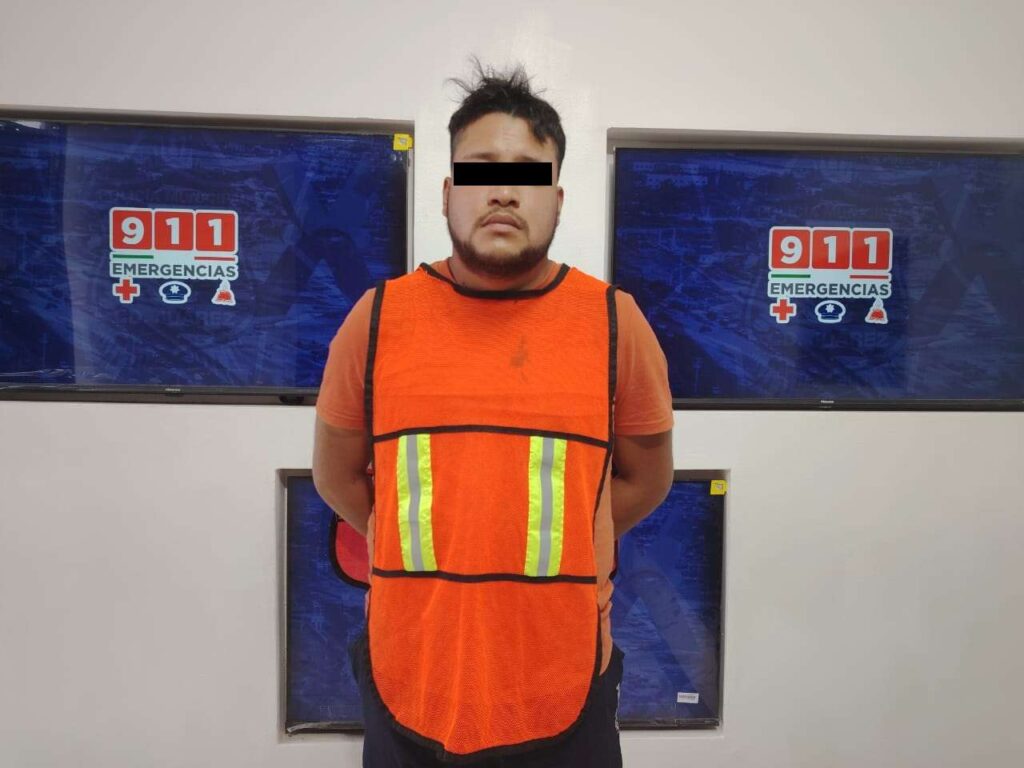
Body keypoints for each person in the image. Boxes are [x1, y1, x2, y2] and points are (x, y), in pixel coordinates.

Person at [312, 56, 674, 767]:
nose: (504, 192)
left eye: (528, 176)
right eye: (481, 172)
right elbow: (336, 475)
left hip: (566, 680)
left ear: (558, 200)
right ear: (448, 193)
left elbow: (647, 478)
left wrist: (576, 539)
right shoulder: (377, 319)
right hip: (407, 675)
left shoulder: (615, 322)